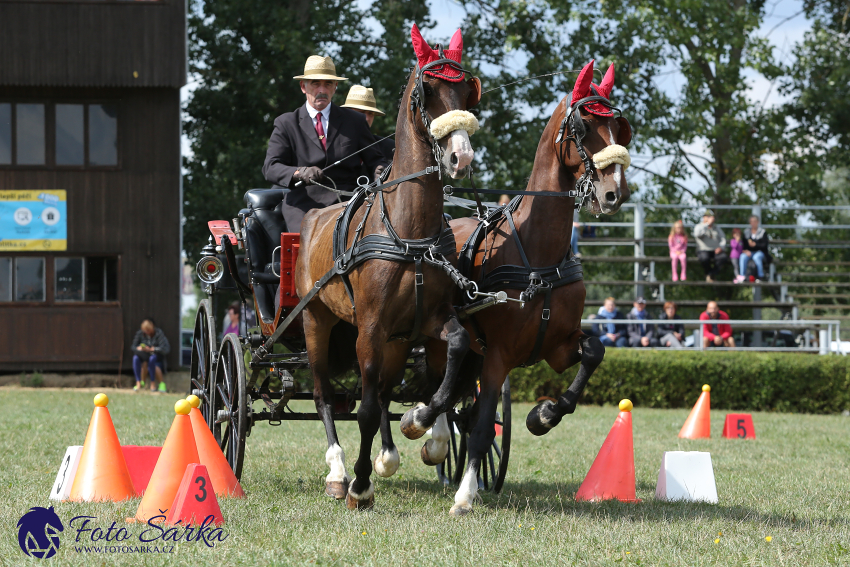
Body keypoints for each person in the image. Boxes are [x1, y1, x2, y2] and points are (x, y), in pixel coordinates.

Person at [262, 56, 389, 232]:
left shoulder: (355, 121)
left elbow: (376, 160)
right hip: (304, 205)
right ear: (303, 87)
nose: (322, 89)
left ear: (335, 87)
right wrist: (300, 172)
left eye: (328, 84)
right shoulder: (286, 123)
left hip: (348, 203)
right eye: (315, 83)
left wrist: (380, 170)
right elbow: (270, 167)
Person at [341, 85, 395, 164]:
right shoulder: (330, 145)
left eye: (370, 113)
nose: (367, 118)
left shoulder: (389, 147)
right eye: (361, 112)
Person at [131, 319, 170, 392]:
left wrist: (152, 349)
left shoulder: (159, 334)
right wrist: (139, 348)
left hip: (156, 358)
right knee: (137, 359)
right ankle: (138, 382)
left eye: (148, 330)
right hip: (144, 357)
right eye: (145, 331)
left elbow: (165, 349)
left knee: (152, 361)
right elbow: (133, 347)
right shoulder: (140, 334)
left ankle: (154, 383)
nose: (147, 332)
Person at [694, 210, 728, 283]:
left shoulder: (716, 228)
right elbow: (697, 235)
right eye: (708, 217)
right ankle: (709, 274)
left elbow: (723, 238)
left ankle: (711, 274)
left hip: (715, 250)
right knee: (704, 258)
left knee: (723, 257)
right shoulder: (699, 226)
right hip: (703, 250)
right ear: (704, 217)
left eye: (711, 217)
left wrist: (721, 247)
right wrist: (707, 224)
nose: (710, 218)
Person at [740, 215, 770, 283]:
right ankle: (742, 276)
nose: (753, 223)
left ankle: (760, 276)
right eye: (751, 221)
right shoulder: (746, 232)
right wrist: (745, 251)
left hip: (760, 252)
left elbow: (765, 245)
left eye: (754, 221)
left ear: (758, 222)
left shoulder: (762, 232)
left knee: (756, 257)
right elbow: (743, 245)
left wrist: (756, 245)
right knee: (743, 257)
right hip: (749, 252)